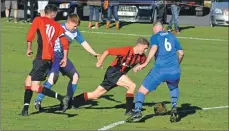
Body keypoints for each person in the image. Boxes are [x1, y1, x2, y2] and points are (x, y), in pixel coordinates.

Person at [33, 14, 101, 112]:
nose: (76, 28)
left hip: (62, 57)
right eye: (74, 25)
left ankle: (67, 101)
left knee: (75, 77)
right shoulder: (57, 27)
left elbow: (84, 43)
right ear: (68, 22)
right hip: (53, 55)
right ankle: (38, 100)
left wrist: (95, 54)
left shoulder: (75, 32)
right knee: (53, 78)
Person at [67, 37, 149, 115]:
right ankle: (129, 111)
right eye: (145, 48)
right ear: (139, 45)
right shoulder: (126, 50)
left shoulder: (141, 57)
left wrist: (138, 67)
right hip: (113, 71)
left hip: (118, 75)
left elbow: (144, 63)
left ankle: (71, 102)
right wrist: (99, 62)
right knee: (132, 85)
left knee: (96, 95)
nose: (145, 51)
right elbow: (108, 51)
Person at [127, 21, 184, 122]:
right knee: (173, 87)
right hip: (174, 71)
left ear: (155, 29)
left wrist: (145, 64)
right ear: (162, 28)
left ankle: (137, 112)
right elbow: (181, 53)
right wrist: (176, 65)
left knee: (141, 91)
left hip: (159, 70)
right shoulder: (172, 36)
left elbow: (154, 48)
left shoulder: (155, 37)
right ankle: (174, 108)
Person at [21, 4, 70, 116]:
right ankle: (25, 110)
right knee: (28, 82)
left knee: (34, 86)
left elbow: (30, 34)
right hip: (47, 59)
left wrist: (29, 48)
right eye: (56, 13)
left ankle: (61, 98)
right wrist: (65, 58)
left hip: (41, 59)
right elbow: (65, 43)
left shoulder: (38, 19)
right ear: (52, 14)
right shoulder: (58, 26)